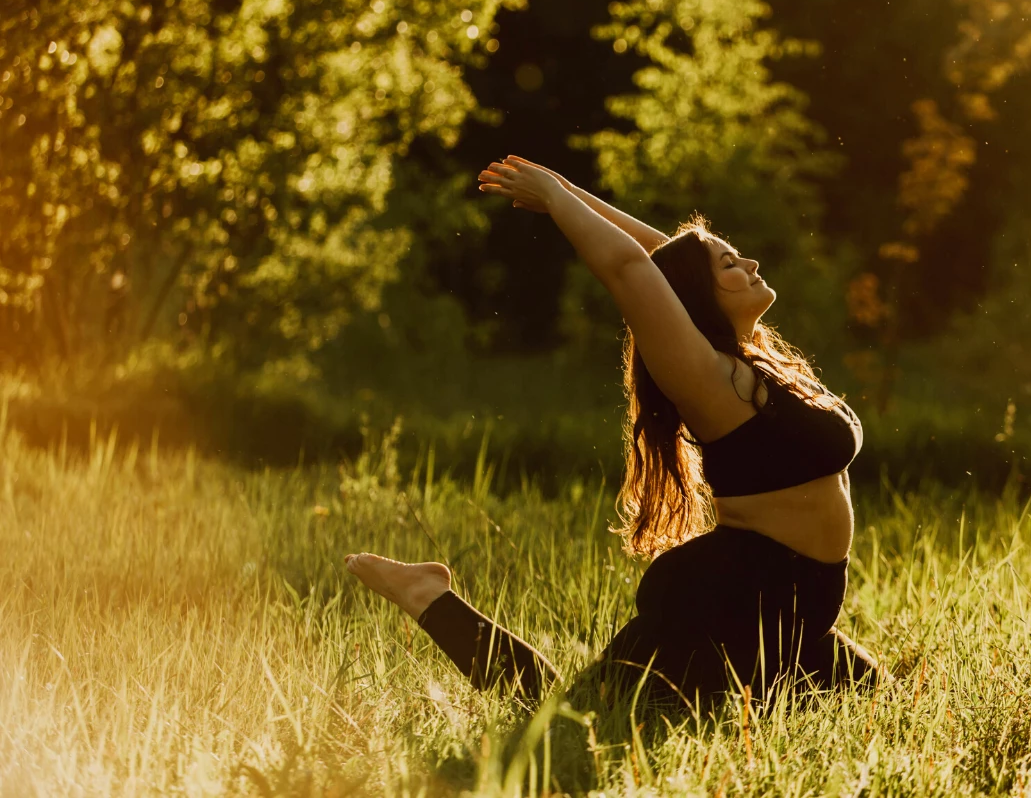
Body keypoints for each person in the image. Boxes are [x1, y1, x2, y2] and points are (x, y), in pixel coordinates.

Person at [344, 156, 884, 709]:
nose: (749, 262)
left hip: (797, 609)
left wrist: (568, 189)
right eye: (729, 265)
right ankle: (428, 595)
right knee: (565, 717)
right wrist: (557, 201)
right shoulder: (708, 378)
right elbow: (633, 269)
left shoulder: (756, 361)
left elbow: (663, 261)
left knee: (885, 711)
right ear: (702, 297)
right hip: (737, 600)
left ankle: (429, 594)